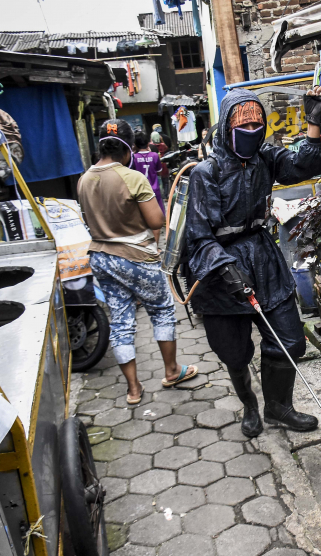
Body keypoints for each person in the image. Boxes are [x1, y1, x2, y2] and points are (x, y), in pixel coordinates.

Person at [185, 87, 321, 438]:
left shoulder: (266, 157)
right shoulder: (206, 173)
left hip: (263, 258)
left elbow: (303, 164)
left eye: (257, 125)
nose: (251, 132)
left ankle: (279, 408)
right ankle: (250, 405)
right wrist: (224, 268)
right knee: (233, 352)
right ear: (225, 128)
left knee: (290, 340)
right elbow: (198, 235)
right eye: (242, 125)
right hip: (220, 270)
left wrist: (314, 123)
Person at [77, 119, 198, 405]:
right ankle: (171, 371)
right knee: (162, 310)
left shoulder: (84, 179)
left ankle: (133, 389)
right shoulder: (131, 178)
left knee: (120, 320)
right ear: (128, 149)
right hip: (135, 257)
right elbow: (157, 220)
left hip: (101, 259)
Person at [132, 131, 166, 243]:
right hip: (154, 190)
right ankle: (156, 246)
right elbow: (159, 172)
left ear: (135, 144)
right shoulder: (155, 155)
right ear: (148, 143)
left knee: (142, 219)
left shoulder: (133, 158)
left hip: (139, 191)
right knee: (156, 219)